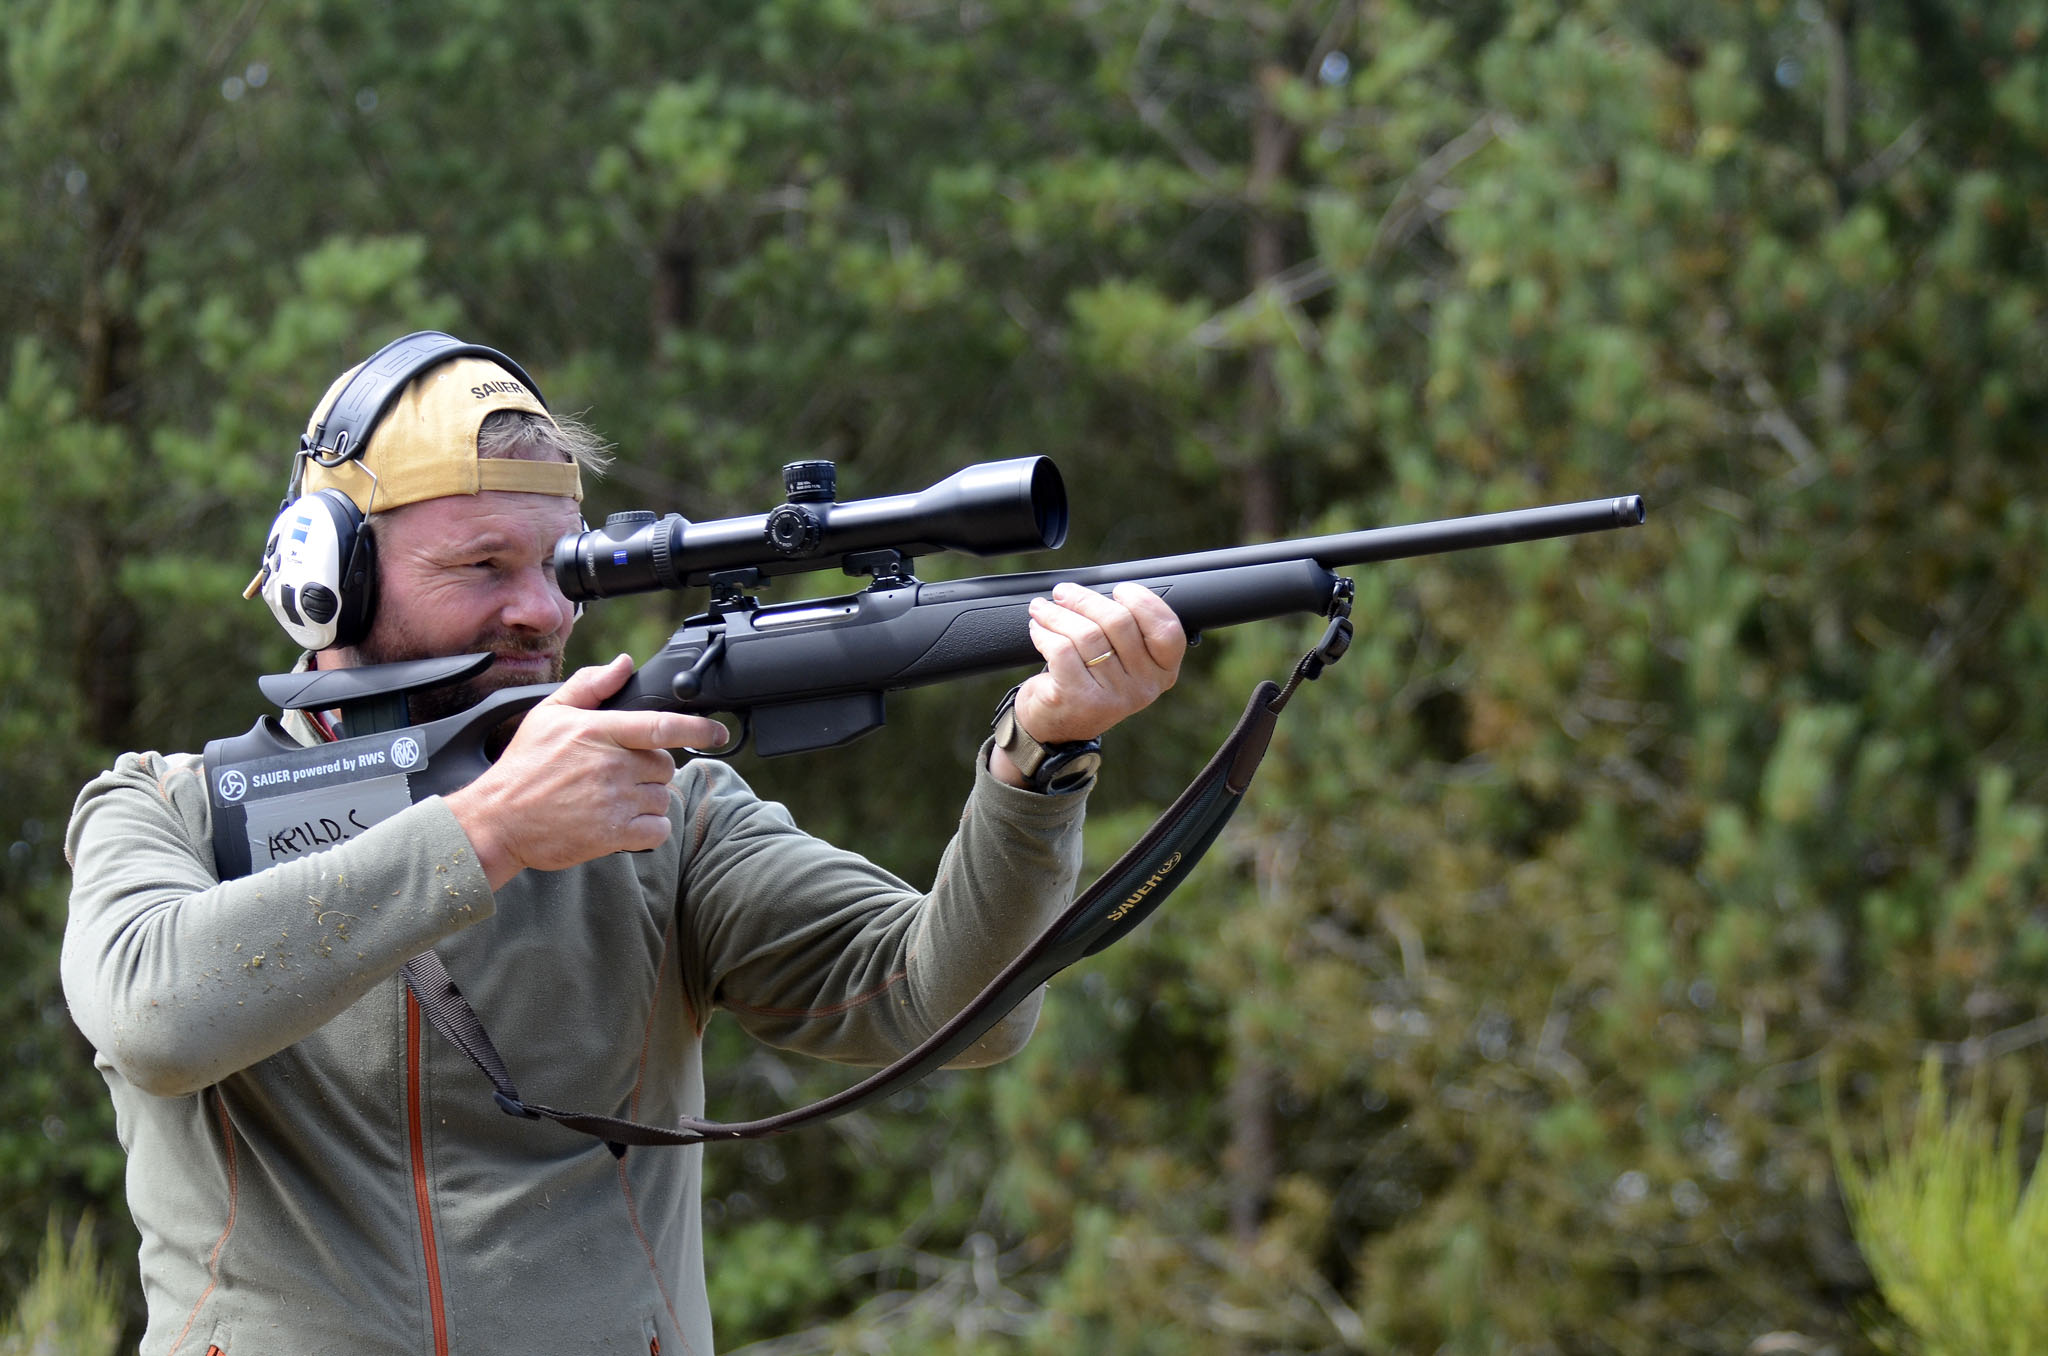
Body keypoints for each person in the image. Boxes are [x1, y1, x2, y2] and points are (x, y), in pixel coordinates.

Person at [62, 337, 1184, 1355]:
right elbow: (156, 1018)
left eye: (561, 566)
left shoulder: (669, 812)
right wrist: (493, 832)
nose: (542, 611)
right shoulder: (167, 808)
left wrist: (1040, 759)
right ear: (325, 580)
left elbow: (946, 1008)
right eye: (482, 567)